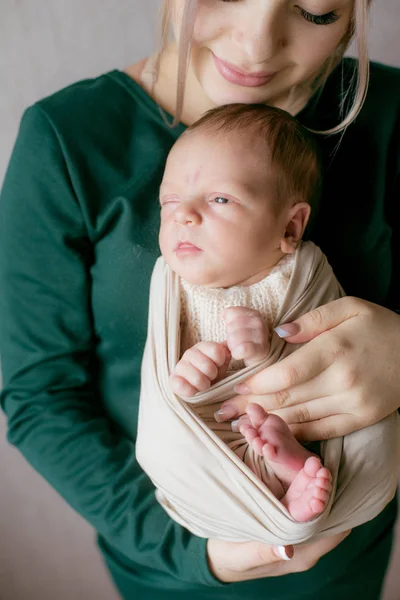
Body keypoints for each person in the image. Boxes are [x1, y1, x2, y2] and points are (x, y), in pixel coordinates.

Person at [0, 0, 399, 599]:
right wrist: (193, 553)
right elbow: (41, 395)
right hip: (172, 561)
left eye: (316, 11)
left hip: (347, 551)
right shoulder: (69, 140)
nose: (257, 45)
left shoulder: (388, 115)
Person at [163, 102, 334, 524]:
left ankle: (288, 470)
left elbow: (335, 352)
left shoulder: (301, 276)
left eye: (220, 198)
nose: (183, 215)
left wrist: (272, 348)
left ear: (290, 228)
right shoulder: (172, 287)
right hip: (209, 445)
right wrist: (189, 374)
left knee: (275, 427)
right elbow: (164, 371)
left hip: (299, 421)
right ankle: (279, 482)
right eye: (170, 200)